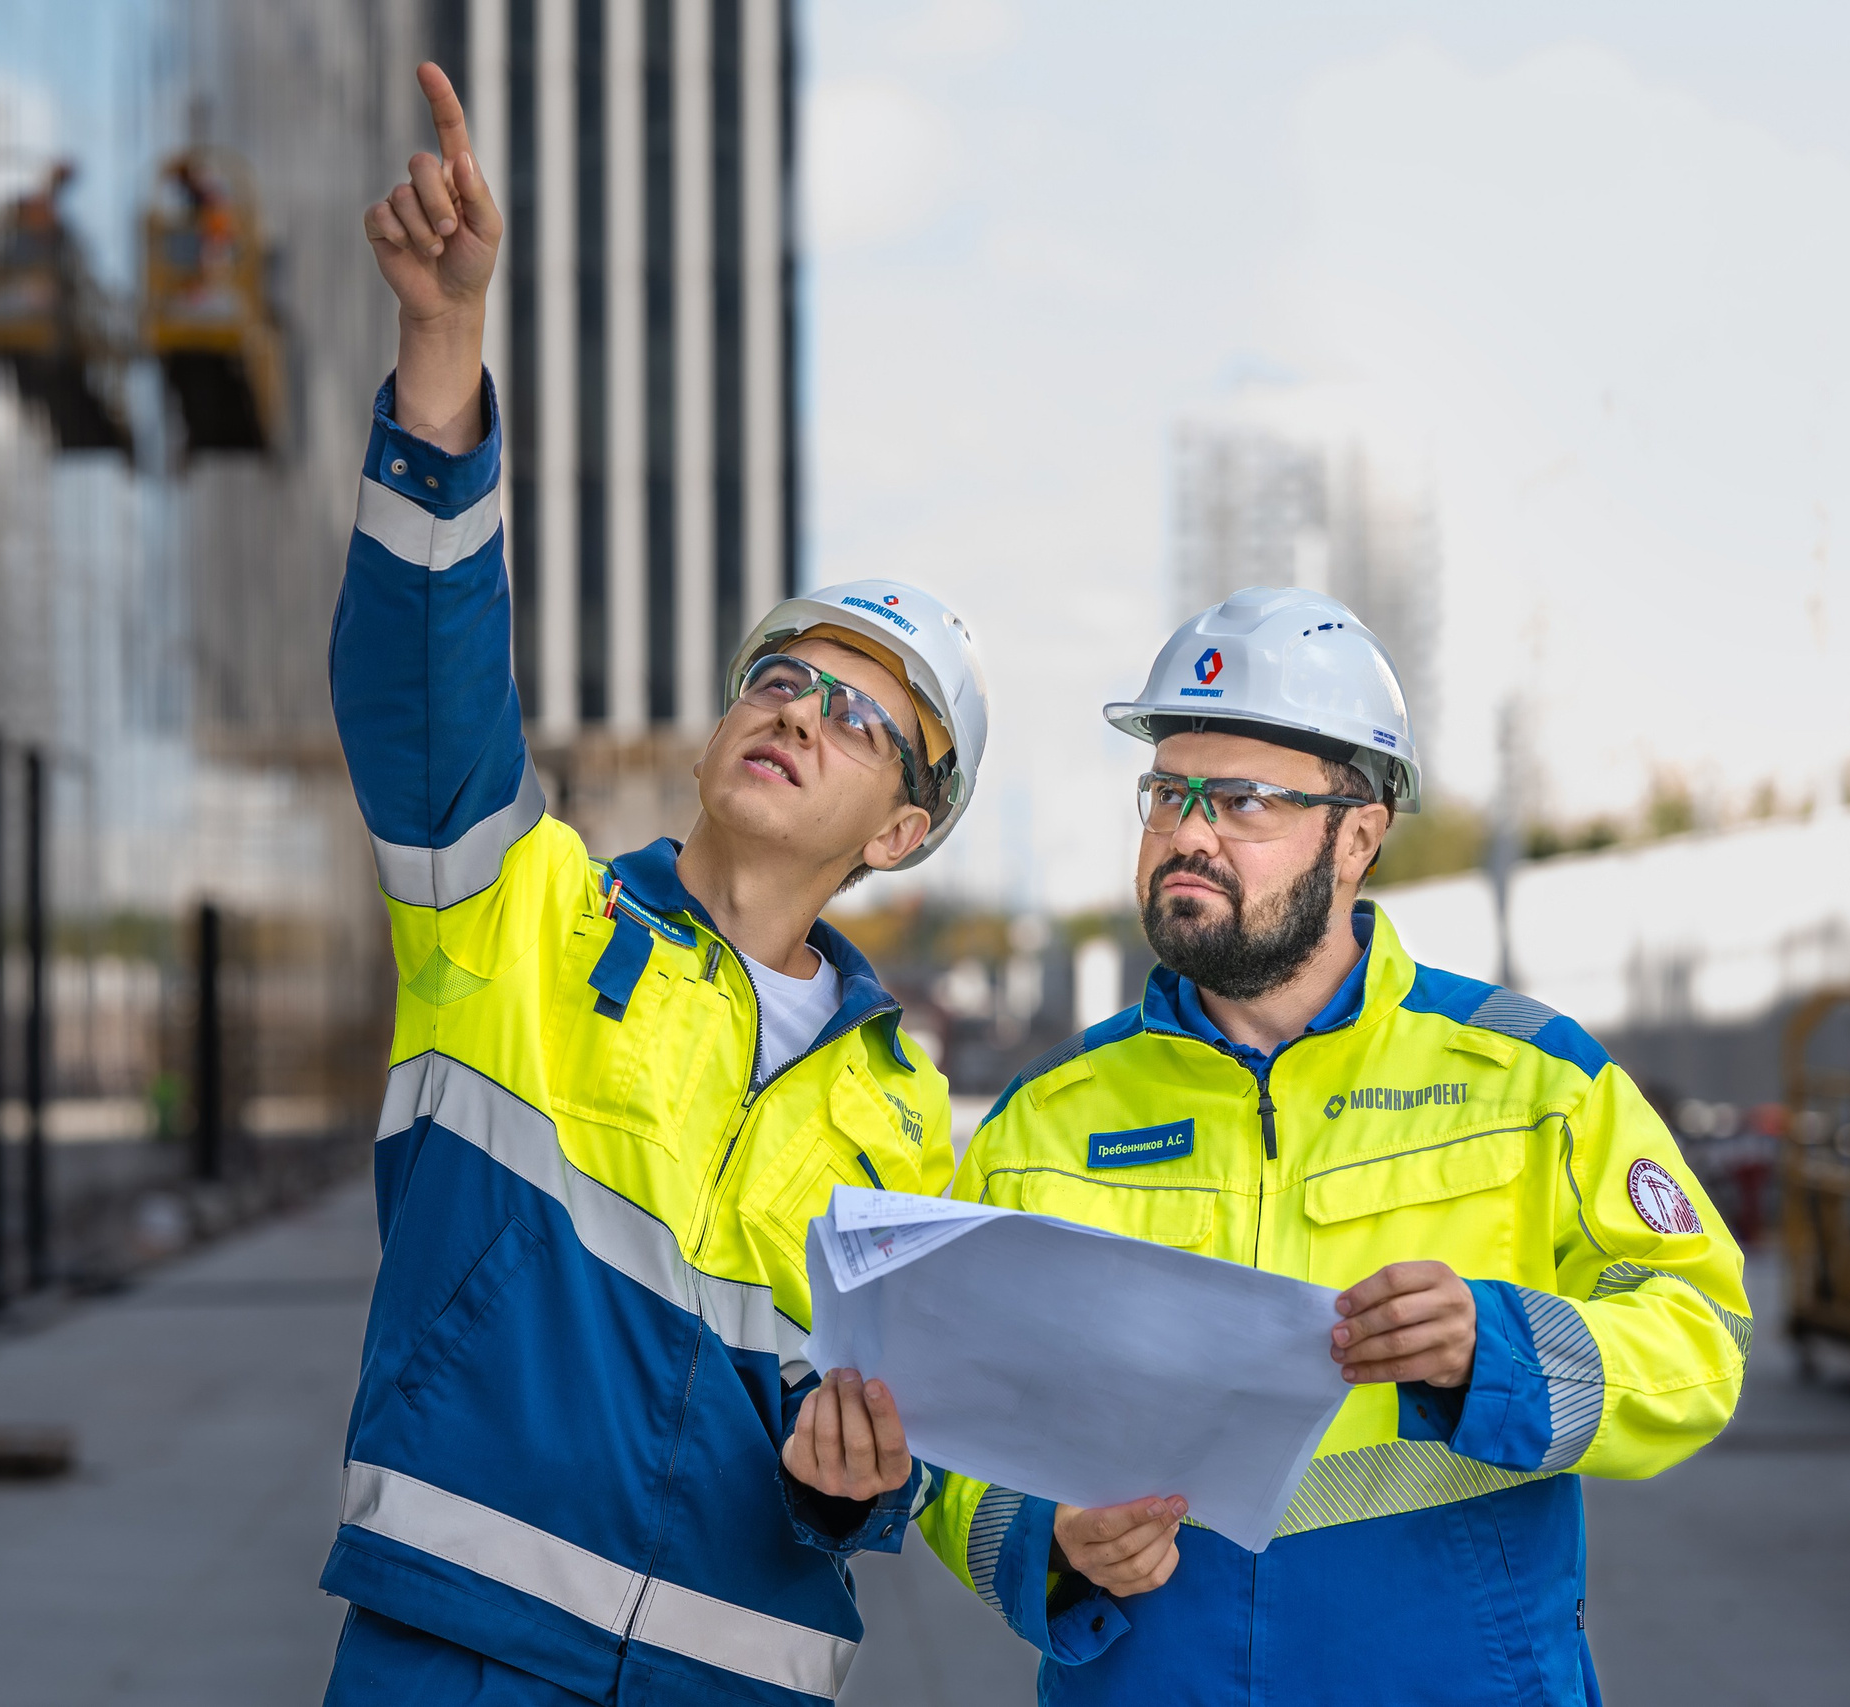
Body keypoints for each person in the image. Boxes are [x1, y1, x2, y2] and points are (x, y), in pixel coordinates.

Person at [318, 65, 990, 1707]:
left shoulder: (904, 1114)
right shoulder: (522, 915)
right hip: (460, 1647)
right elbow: (423, 683)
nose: (795, 711)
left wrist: (860, 1476)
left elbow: (883, 1438)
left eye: (856, 715)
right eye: (780, 676)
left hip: (736, 1674)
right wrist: (444, 348)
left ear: (897, 833)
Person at [809, 585, 1749, 1704]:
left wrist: (1492, 1348)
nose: (1187, 834)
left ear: (1357, 836)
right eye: (1168, 793)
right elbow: (952, 1439)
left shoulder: (1534, 1078)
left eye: (1243, 801)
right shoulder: (1043, 1119)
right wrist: (1051, 1548)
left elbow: (1700, 1343)